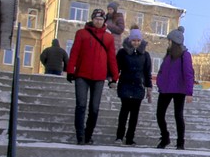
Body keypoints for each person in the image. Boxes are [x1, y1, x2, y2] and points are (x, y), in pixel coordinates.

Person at [65, 8, 119, 145]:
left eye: (101, 19)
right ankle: (80, 135)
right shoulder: (82, 33)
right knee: (81, 105)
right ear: (92, 19)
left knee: (94, 108)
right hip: (82, 74)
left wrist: (115, 76)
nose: (98, 21)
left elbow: (112, 58)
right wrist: (70, 70)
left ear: (104, 21)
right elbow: (75, 52)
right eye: (96, 19)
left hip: (99, 77)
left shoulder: (108, 38)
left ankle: (88, 134)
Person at [155, 26, 194, 150]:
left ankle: (180, 142)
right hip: (165, 90)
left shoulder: (184, 55)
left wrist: (189, 92)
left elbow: (188, 73)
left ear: (174, 42)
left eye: (169, 41)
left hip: (179, 90)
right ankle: (165, 137)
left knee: (178, 116)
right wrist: (159, 83)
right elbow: (162, 71)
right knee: (159, 114)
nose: (168, 43)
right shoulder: (168, 55)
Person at [115, 26, 152, 146]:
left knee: (134, 114)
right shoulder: (122, 52)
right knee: (124, 112)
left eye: (138, 40)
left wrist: (149, 88)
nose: (136, 43)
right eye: (133, 40)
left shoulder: (145, 55)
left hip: (138, 87)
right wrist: (112, 79)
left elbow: (147, 72)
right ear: (130, 40)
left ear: (141, 41)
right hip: (125, 85)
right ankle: (119, 136)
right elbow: (117, 68)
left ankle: (130, 137)